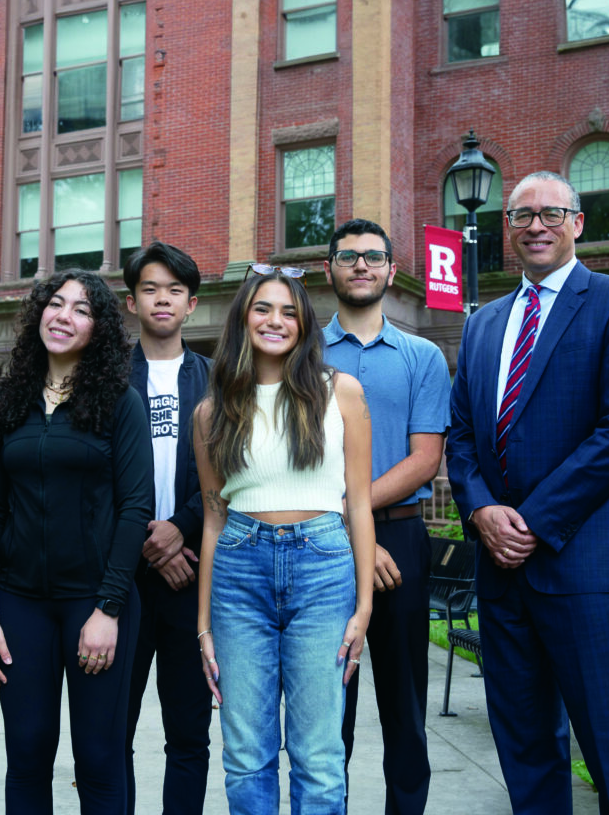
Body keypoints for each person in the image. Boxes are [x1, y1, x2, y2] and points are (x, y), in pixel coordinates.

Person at [446, 171, 609, 815]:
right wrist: (482, 510)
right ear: (506, 228)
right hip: (502, 573)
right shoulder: (484, 323)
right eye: (521, 215)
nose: (536, 225)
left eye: (551, 213)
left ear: (577, 223)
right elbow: (461, 435)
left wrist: (532, 522)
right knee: (525, 744)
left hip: (584, 565)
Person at [0, 269, 154, 814]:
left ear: (97, 330)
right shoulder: (7, 402)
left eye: (81, 309)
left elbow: (135, 509)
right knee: (26, 755)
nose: (64, 316)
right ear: (38, 314)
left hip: (94, 602)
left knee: (98, 758)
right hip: (21, 605)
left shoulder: (120, 402)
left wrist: (109, 608)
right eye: (56, 304)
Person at [194, 267, 375, 815]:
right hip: (238, 574)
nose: (276, 321)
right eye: (263, 309)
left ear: (303, 323)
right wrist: (203, 624)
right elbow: (211, 519)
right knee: (246, 754)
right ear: (243, 318)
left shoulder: (340, 391)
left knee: (319, 753)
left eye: (289, 311)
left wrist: (364, 608)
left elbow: (359, 505)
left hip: (323, 569)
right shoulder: (211, 411)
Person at [323, 218, 451, 815]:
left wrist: (360, 521)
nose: (361, 266)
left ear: (392, 271)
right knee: (327, 705)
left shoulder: (423, 356)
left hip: (398, 537)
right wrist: (349, 531)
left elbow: (426, 460)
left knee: (405, 703)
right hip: (314, 539)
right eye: (348, 256)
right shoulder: (300, 350)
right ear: (331, 269)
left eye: (373, 257)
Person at [123, 242, 213, 815]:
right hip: (122, 584)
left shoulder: (216, 379)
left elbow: (232, 469)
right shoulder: (105, 377)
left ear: (192, 304)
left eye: (174, 291)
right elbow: (95, 479)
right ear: (132, 302)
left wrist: (181, 527)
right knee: (110, 731)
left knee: (189, 735)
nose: (162, 299)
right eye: (151, 289)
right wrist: (151, 546)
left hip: (192, 584)